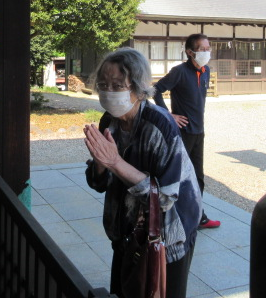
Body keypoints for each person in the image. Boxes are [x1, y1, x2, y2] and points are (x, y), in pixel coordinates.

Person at [84, 47, 201, 298]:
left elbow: (167, 197)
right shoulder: (109, 122)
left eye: (117, 85)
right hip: (126, 231)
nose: (108, 91)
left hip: (169, 232)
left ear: (137, 88)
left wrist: (115, 162)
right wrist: (101, 164)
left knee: (158, 290)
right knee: (126, 290)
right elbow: (99, 183)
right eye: (103, 84)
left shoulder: (159, 125)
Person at [154, 34, 221, 229]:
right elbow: (156, 89)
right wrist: (168, 115)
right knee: (179, 175)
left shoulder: (206, 70)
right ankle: (171, 215)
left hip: (199, 131)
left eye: (208, 48)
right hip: (183, 132)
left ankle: (198, 216)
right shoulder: (179, 72)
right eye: (202, 49)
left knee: (198, 176)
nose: (207, 52)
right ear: (190, 52)